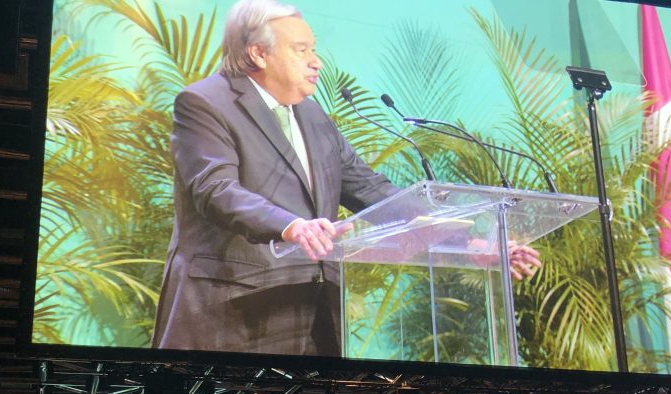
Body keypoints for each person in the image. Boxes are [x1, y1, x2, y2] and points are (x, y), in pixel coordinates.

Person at [150, 0, 541, 357]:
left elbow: (372, 193)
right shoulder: (204, 103)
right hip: (230, 318)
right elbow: (215, 190)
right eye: (301, 50)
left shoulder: (313, 116)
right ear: (258, 53)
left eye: (313, 49)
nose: (316, 61)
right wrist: (290, 226)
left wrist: (469, 242)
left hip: (310, 322)